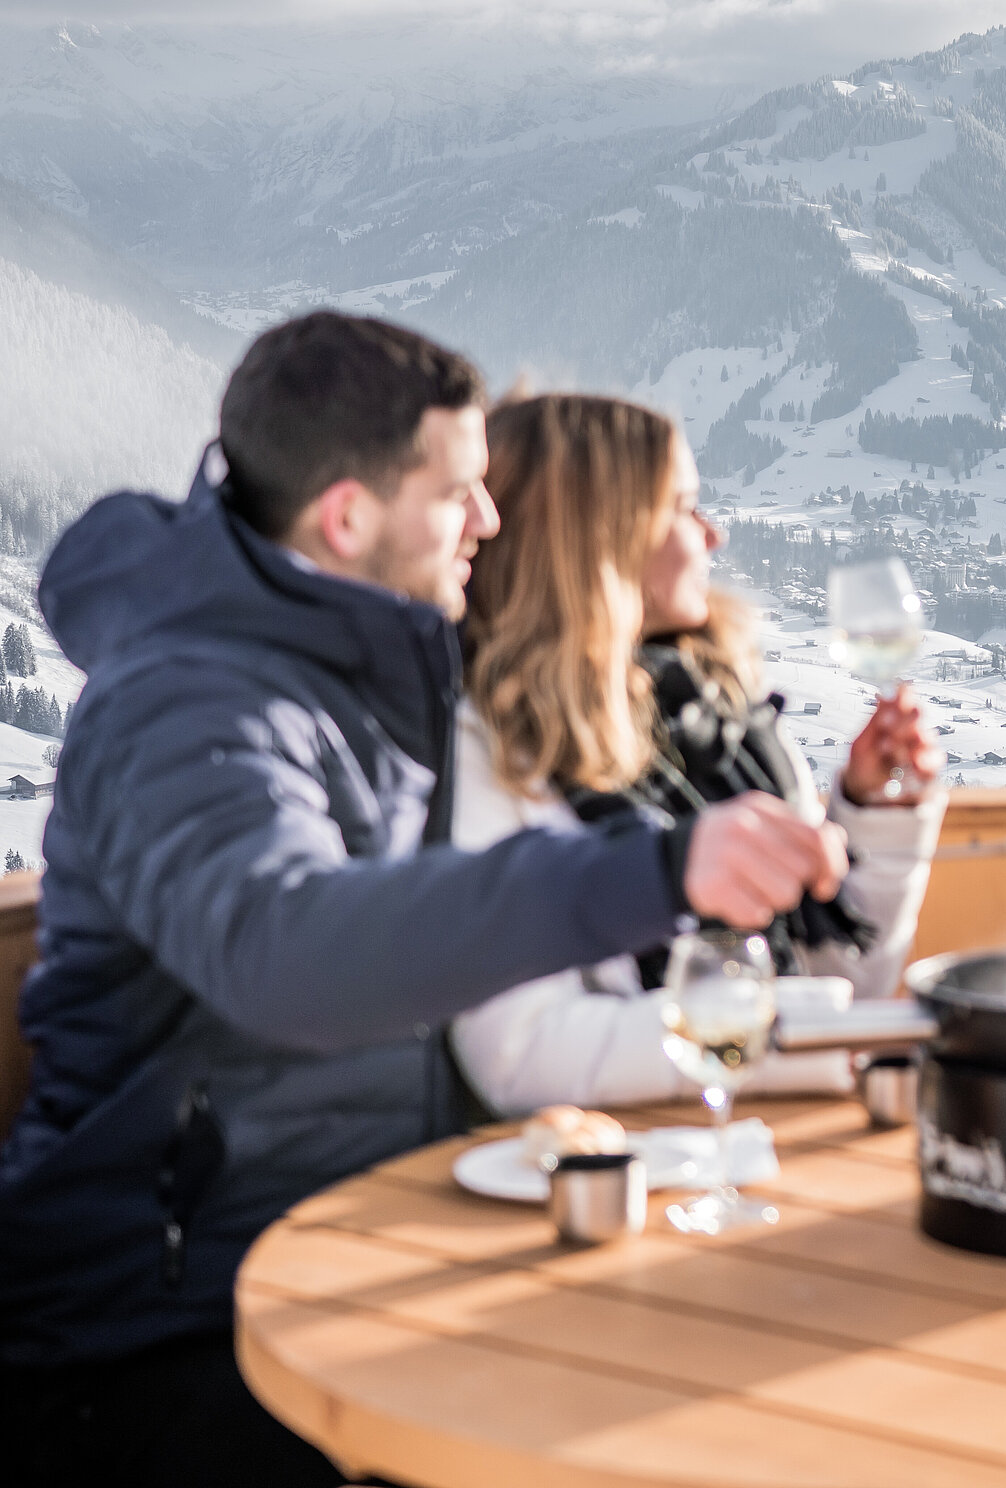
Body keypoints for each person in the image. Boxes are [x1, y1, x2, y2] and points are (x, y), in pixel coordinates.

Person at [0, 313, 846, 1487]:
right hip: (161, 1325)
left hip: (363, 1257)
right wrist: (650, 877)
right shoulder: (194, 710)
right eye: (459, 496)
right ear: (347, 516)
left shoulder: (362, 670)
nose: (488, 524)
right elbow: (286, 948)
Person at [447, 392, 946, 1111]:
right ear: (602, 542)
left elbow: (839, 983)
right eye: (683, 508)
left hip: (755, 1147)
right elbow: (522, 1058)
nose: (713, 536)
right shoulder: (489, 752)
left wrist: (873, 815)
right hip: (619, 1169)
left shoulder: (721, 725)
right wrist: (790, 1036)